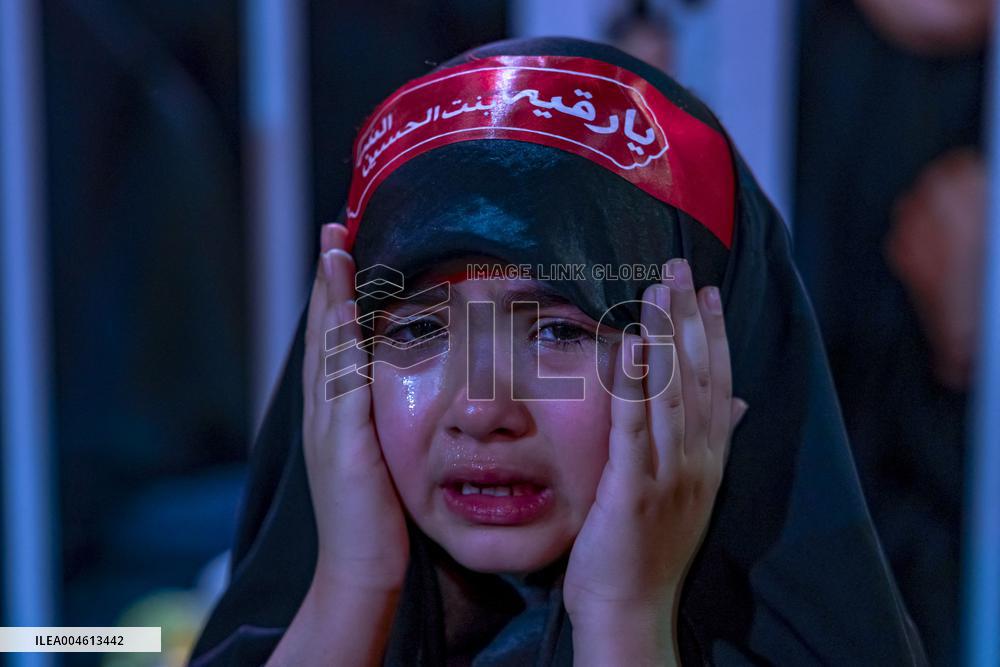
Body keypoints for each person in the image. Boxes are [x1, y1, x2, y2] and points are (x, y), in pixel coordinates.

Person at [190, 37, 927, 665]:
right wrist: (354, 583)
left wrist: (625, 618)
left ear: (710, 348)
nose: (481, 409)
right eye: (417, 330)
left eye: (560, 331)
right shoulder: (294, 625)